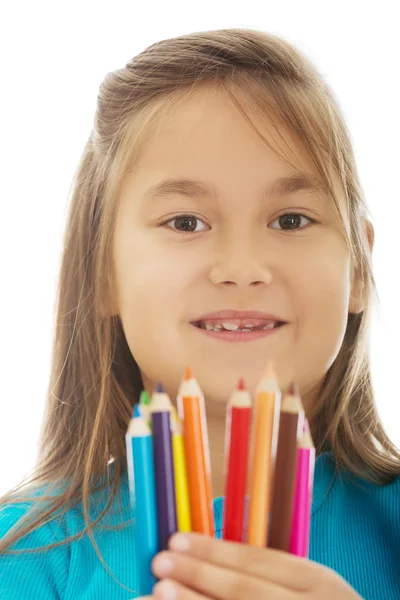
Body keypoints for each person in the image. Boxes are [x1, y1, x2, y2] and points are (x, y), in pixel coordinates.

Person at [0, 27, 399, 600]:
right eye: (186, 222)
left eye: (290, 220)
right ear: (100, 272)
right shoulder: (23, 556)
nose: (242, 267)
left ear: (359, 264)